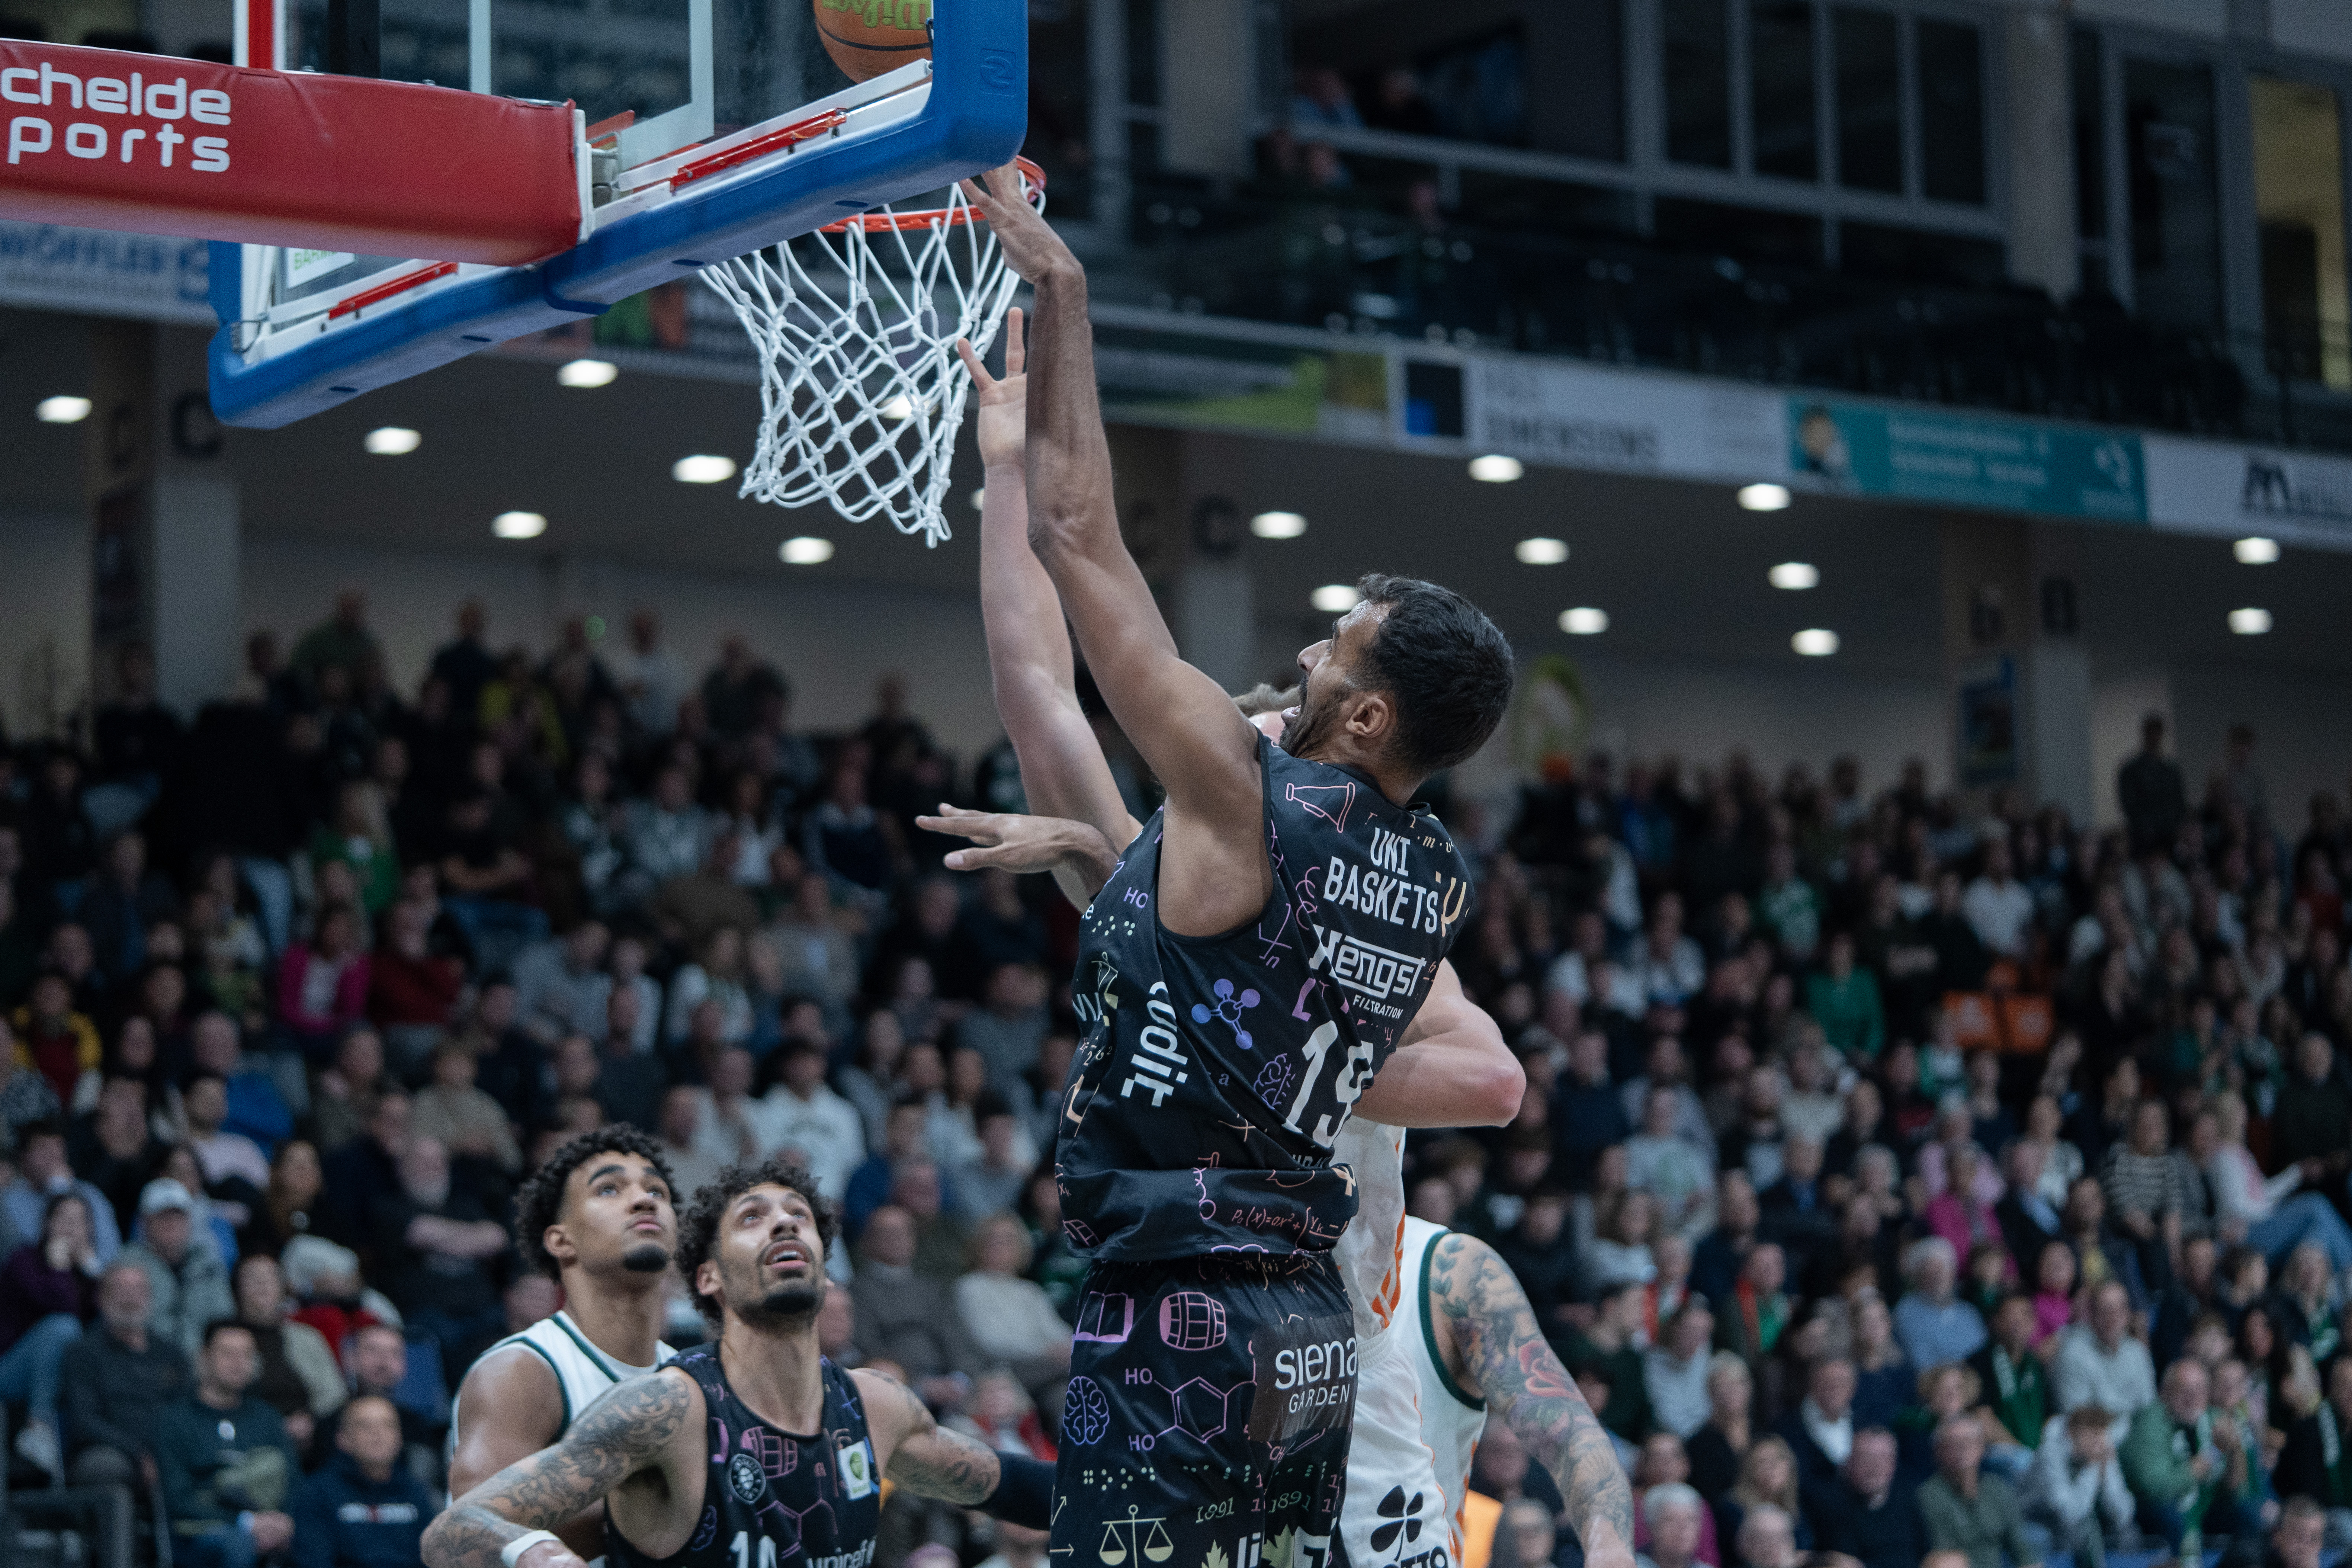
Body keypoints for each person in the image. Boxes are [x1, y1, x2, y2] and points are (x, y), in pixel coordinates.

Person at [950, 170, 1537, 1568]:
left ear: (1365, 715)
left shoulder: (1241, 797)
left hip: (1192, 1313)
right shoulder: (1418, 874)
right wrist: (1000, 469)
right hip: (1298, 1329)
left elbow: (1082, 544)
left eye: (1337, 641)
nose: (1310, 648)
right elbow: (1045, 704)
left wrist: (1065, 297)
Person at [420, 1158, 1053, 1568]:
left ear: (825, 1273)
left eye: (798, 1219)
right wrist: (541, 1556)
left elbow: (1021, 1489)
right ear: (710, 1278)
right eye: (753, 1219)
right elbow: (456, 1528)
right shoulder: (667, 1409)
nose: (784, 1226)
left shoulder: (876, 1405)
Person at [447, 1129, 681, 1561]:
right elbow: (475, 1528)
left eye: (657, 1191)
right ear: (561, 1240)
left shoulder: (693, 1378)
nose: (645, 1200)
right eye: (609, 1189)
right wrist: (656, 1503)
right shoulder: (522, 1370)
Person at [157, 1318, 302, 1568]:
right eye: (228, 1353)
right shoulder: (174, 1420)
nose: (238, 1363)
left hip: (270, 1521)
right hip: (202, 1532)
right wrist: (246, 1522)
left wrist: (283, 1521)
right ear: (204, 1357)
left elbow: (294, 1481)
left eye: (246, 1354)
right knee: (236, 1544)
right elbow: (178, 1498)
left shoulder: (267, 1417)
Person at [0, 1187, 101, 1476]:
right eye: (63, 1219)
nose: (70, 1228)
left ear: (90, 1229)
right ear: (48, 1224)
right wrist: (60, 1267)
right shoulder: (24, 1261)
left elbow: (102, 1326)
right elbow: (63, 1307)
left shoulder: (90, 1273)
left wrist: (93, 1272)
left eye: (79, 1221)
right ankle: (39, 1427)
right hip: (10, 1371)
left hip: (67, 1376)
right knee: (62, 1328)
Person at [2121, 1357, 2255, 1551]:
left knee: (2247, 1515)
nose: (2193, 1397)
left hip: (2202, 1508)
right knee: (2170, 1516)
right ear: (2165, 1392)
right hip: (2157, 1510)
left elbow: (2237, 1490)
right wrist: (2214, 1453)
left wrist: (2234, 1450)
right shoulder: (2150, 1423)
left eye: (2200, 1390)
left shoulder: (2214, 1420)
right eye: (2184, 1389)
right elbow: (2156, 1487)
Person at [289, 1396, 434, 1568]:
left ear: (400, 1438)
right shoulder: (315, 1494)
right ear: (342, 1439)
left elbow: (432, 1559)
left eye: (387, 1425)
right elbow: (313, 1561)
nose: (378, 1434)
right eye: (364, 1426)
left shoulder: (417, 1493)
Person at [122, 1176, 236, 1357]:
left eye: (178, 1215)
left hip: (203, 1368)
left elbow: (224, 1322)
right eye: (163, 1215)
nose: (171, 1223)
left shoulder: (209, 1266)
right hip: (144, 1365)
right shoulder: (126, 1267)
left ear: (189, 1221)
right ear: (144, 1222)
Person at [1916, 1414, 2041, 1568]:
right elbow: (1944, 1556)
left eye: (1969, 1441)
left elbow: (2022, 1548)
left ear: (1981, 1447)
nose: (1963, 1448)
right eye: (1954, 1444)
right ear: (1939, 1452)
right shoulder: (1929, 1495)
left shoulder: (1997, 1488)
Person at [2020, 1406, 2131, 1568]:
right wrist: (2092, 1469)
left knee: (2128, 1535)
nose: (2098, 1442)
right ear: (2072, 1433)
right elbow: (2068, 1514)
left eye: (2101, 1434)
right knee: (2087, 1527)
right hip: (2036, 1519)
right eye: (2092, 1435)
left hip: (2068, 1523)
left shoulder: (2102, 1451)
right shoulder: (2050, 1454)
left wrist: (2108, 1474)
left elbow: (2123, 1514)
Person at [1804, 1427, 1923, 1568]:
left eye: (1883, 1459)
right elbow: (1805, 1555)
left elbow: (1928, 1553)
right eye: (1867, 1458)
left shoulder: (1910, 1501)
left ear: (1894, 1464)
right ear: (1849, 1462)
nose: (1875, 1467)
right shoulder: (1824, 1504)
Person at [2052, 1282, 2154, 1437]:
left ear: (2127, 1314)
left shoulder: (2137, 1352)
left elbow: (2147, 1408)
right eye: (2106, 1310)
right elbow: (2077, 1418)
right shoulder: (2073, 1352)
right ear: (2092, 1314)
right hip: (2092, 1441)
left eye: (2120, 1309)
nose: (2114, 1316)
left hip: (2134, 1438)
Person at [1968, 1293, 2050, 1479]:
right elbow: (1983, 1419)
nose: (2018, 1321)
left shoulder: (2035, 1365)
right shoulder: (1980, 1362)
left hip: (2036, 1452)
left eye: (2024, 1315)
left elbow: (2050, 1418)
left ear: (2034, 1323)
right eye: (2010, 1315)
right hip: (1998, 1452)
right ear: (1996, 1322)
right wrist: (2025, 1452)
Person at [1892, 1238, 1987, 1372]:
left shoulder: (1969, 1314)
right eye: (1931, 1271)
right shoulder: (1906, 1312)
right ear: (1918, 1277)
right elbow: (1919, 1363)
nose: (1938, 1277)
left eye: (1943, 1269)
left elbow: (1983, 1360)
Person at [1777, 1357, 1855, 1492]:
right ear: (1813, 1384)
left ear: (1852, 1388)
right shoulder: (1787, 1428)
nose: (1835, 1389)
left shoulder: (1863, 1424)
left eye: (1842, 1382)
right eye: (1828, 1382)